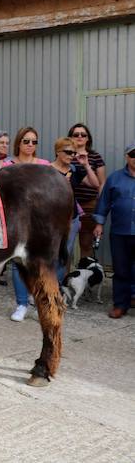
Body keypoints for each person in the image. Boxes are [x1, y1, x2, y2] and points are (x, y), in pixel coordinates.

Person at [3, 127, 51, 321]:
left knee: (41, 263)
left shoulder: (44, 165)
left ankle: (39, 302)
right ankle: (22, 304)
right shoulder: (7, 164)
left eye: (34, 142)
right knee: (18, 262)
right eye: (26, 141)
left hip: (39, 220)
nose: (30, 145)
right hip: (17, 220)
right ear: (18, 142)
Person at [93, 142, 135, 318]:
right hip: (120, 232)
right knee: (121, 269)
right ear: (126, 156)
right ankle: (120, 304)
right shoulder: (114, 178)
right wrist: (99, 224)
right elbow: (104, 203)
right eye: (133, 154)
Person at [51, 136, 99, 285]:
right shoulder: (48, 170)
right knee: (49, 254)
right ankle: (42, 287)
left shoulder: (74, 169)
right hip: (52, 219)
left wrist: (86, 165)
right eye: (67, 152)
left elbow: (95, 183)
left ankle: (56, 287)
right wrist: (59, 185)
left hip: (72, 218)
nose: (71, 155)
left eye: (73, 153)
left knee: (64, 254)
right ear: (58, 152)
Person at [68, 124, 107, 258]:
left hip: (89, 205)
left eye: (83, 134)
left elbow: (101, 184)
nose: (79, 137)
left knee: (86, 244)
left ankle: (86, 276)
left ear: (88, 139)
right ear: (70, 138)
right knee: (67, 246)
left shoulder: (95, 156)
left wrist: (100, 205)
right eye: (76, 134)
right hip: (69, 205)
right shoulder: (66, 155)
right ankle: (64, 278)